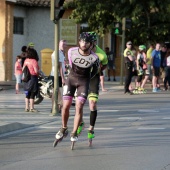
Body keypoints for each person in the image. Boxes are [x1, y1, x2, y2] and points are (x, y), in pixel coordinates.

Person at [54, 32, 99, 142]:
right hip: (71, 79)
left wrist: (87, 78)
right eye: (82, 41)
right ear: (79, 41)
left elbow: (95, 72)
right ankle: (64, 127)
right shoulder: (71, 51)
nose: (84, 44)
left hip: (84, 82)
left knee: (79, 106)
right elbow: (70, 64)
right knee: (66, 105)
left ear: (91, 44)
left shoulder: (94, 58)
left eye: (86, 42)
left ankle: (74, 132)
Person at [77, 32, 108, 141]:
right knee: (80, 103)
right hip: (82, 78)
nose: (86, 44)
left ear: (93, 43)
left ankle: (91, 129)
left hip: (93, 79)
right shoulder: (80, 50)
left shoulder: (101, 54)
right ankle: (80, 122)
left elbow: (105, 64)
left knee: (92, 104)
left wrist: (98, 71)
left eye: (90, 42)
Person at [50, 40, 67, 113]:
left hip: (59, 75)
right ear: (59, 45)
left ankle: (57, 107)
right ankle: (56, 107)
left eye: (65, 45)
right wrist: (63, 78)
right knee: (57, 91)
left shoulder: (61, 53)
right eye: (62, 44)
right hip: (56, 75)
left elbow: (62, 65)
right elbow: (59, 66)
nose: (64, 46)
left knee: (57, 91)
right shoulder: (57, 53)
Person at [23, 48, 40, 112]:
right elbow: (36, 71)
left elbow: (23, 69)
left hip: (26, 78)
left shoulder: (26, 60)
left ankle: (26, 107)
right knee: (32, 93)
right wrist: (39, 74)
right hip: (33, 78)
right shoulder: (34, 61)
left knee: (27, 94)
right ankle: (32, 108)